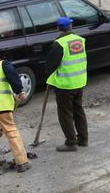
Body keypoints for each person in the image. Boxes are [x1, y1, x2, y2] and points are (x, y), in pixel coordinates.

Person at [45, 17, 89, 152]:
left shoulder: (59, 44)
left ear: (58, 28)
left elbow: (50, 66)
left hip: (65, 85)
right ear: (71, 26)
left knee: (65, 114)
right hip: (79, 81)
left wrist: (49, 80)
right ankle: (83, 139)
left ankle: (71, 142)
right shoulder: (80, 40)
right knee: (78, 111)